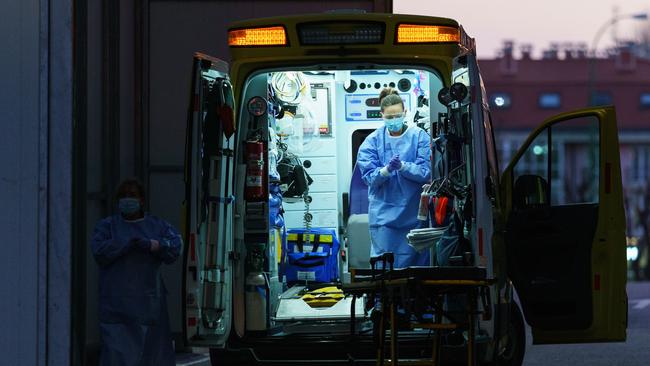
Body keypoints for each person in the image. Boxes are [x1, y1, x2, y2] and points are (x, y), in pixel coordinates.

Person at [91, 179, 182, 366]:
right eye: (123, 195)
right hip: (117, 309)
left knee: (151, 356)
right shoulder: (107, 227)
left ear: (142, 200)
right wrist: (123, 244)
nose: (127, 199)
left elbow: (175, 247)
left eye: (132, 195)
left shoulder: (157, 227)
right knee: (117, 355)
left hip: (148, 308)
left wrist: (155, 245)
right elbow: (99, 251)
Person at [357, 89, 432, 268]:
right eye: (389, 117)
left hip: (415, 214)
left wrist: (404, 167)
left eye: (397, 116)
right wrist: (386, 170)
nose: (393, 120)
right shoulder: (372, 141)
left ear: (405, 113)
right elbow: (369, 177)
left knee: (416, 265)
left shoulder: (419, 136)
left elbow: (426, 172)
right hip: (384, 217)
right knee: (385, 265)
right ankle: (382, 297)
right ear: (381, 115)